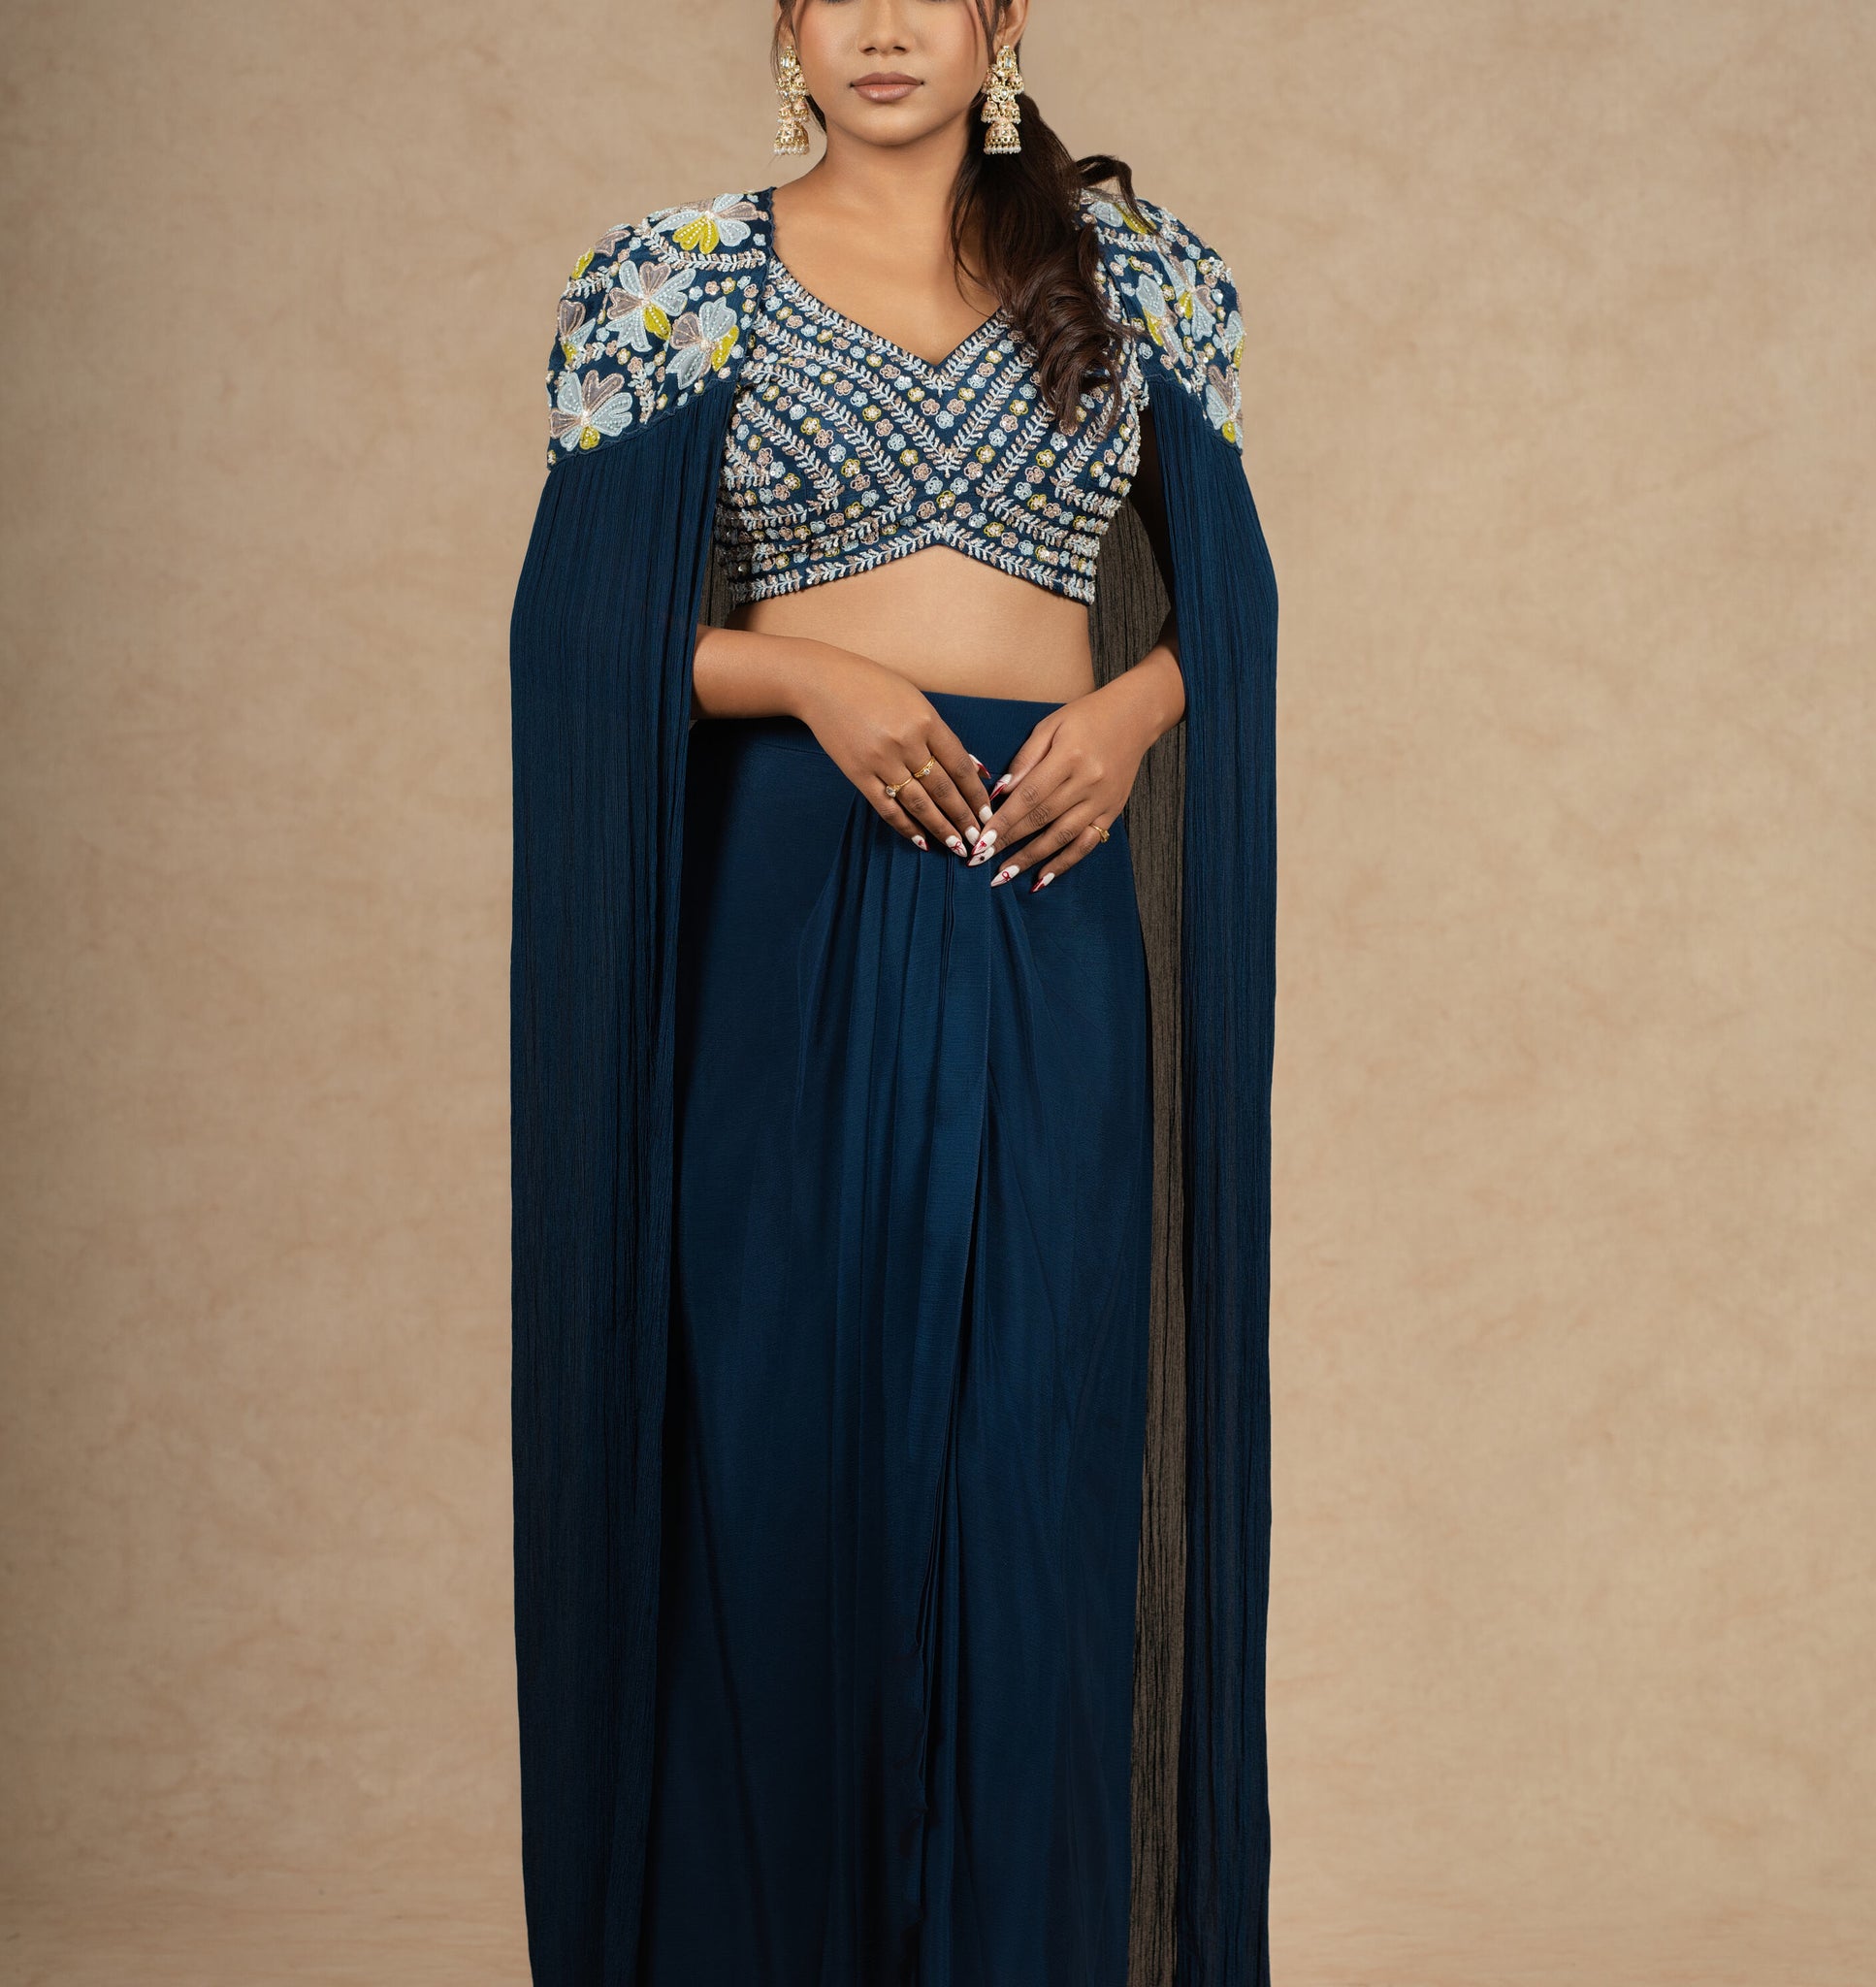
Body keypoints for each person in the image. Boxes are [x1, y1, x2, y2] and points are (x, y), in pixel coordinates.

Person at [506, 3, 1278, 1980]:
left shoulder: (1133, 277)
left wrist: (1132, 708)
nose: (877, 24)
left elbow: (1238, 616)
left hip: (1042, 902)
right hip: (782, 906)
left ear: (999, 22)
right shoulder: (675, 284)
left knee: (1033, 1469)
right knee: (780, 1457)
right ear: (782, 24)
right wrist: (816, 681)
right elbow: (586, 643)